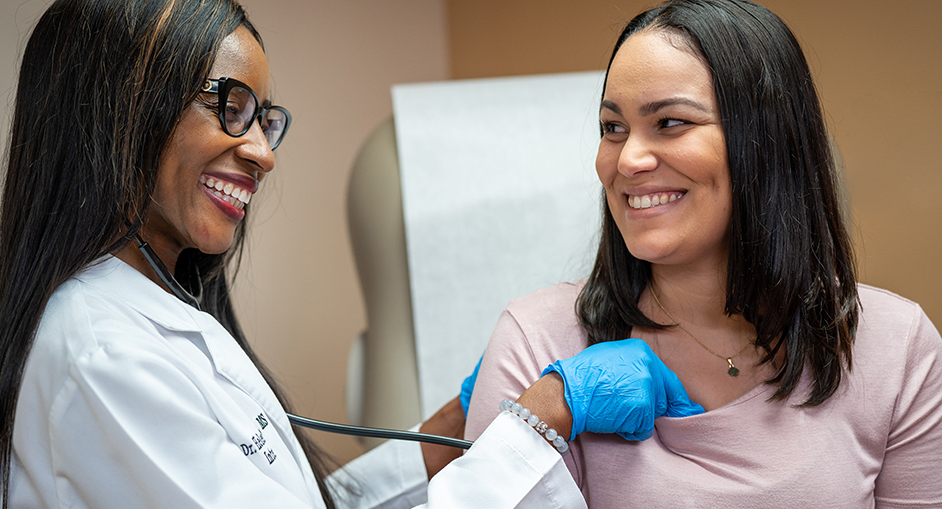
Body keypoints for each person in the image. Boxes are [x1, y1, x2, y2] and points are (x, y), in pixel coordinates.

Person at [0, 0, 705, 507]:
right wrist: (544, 415)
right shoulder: (104, 357)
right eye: (232, 106)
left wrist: (460, 424)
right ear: (117, 105)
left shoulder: (150, 317)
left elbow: (306, 499)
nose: (263, 153)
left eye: (266, 120)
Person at [465, 0, 942, 506]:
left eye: (670, 122)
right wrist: (547, 411)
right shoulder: (537, 343)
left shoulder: (896, 349)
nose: (627, 160)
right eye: (612, 128)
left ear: (765, 143)